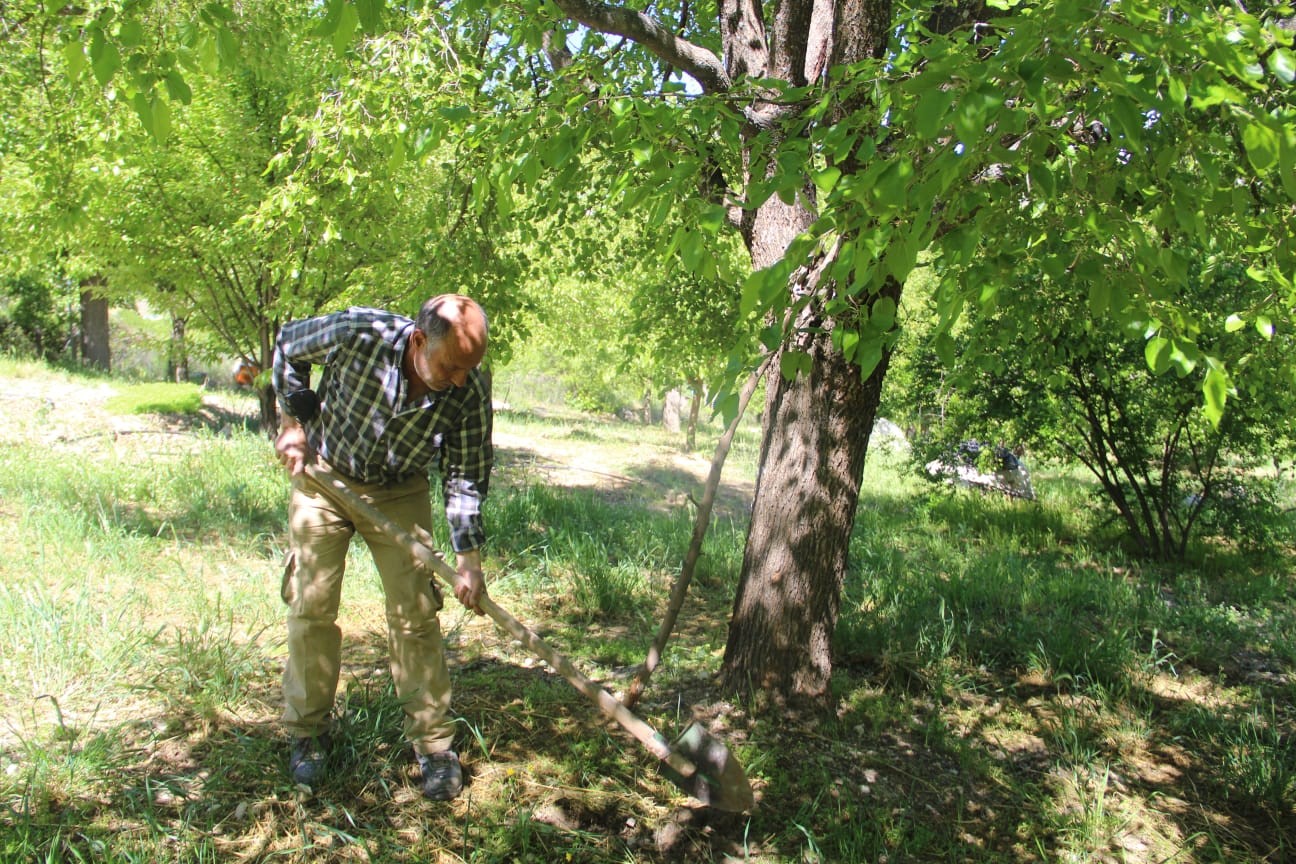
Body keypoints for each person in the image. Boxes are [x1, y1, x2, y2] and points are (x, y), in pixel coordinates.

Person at [270, 294, 493, 800]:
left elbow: (465, 472)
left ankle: (435, 747)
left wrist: (468, 559)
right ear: (419, 341)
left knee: (416, 613)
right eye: (451, 365)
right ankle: (307, 734)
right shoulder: (360, 332)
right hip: (324, 477)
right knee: (312, 603)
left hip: (399, 491)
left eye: (469, 369)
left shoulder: (469, 387)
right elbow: (288, 346)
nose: (460, 379)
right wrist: (291, 424)